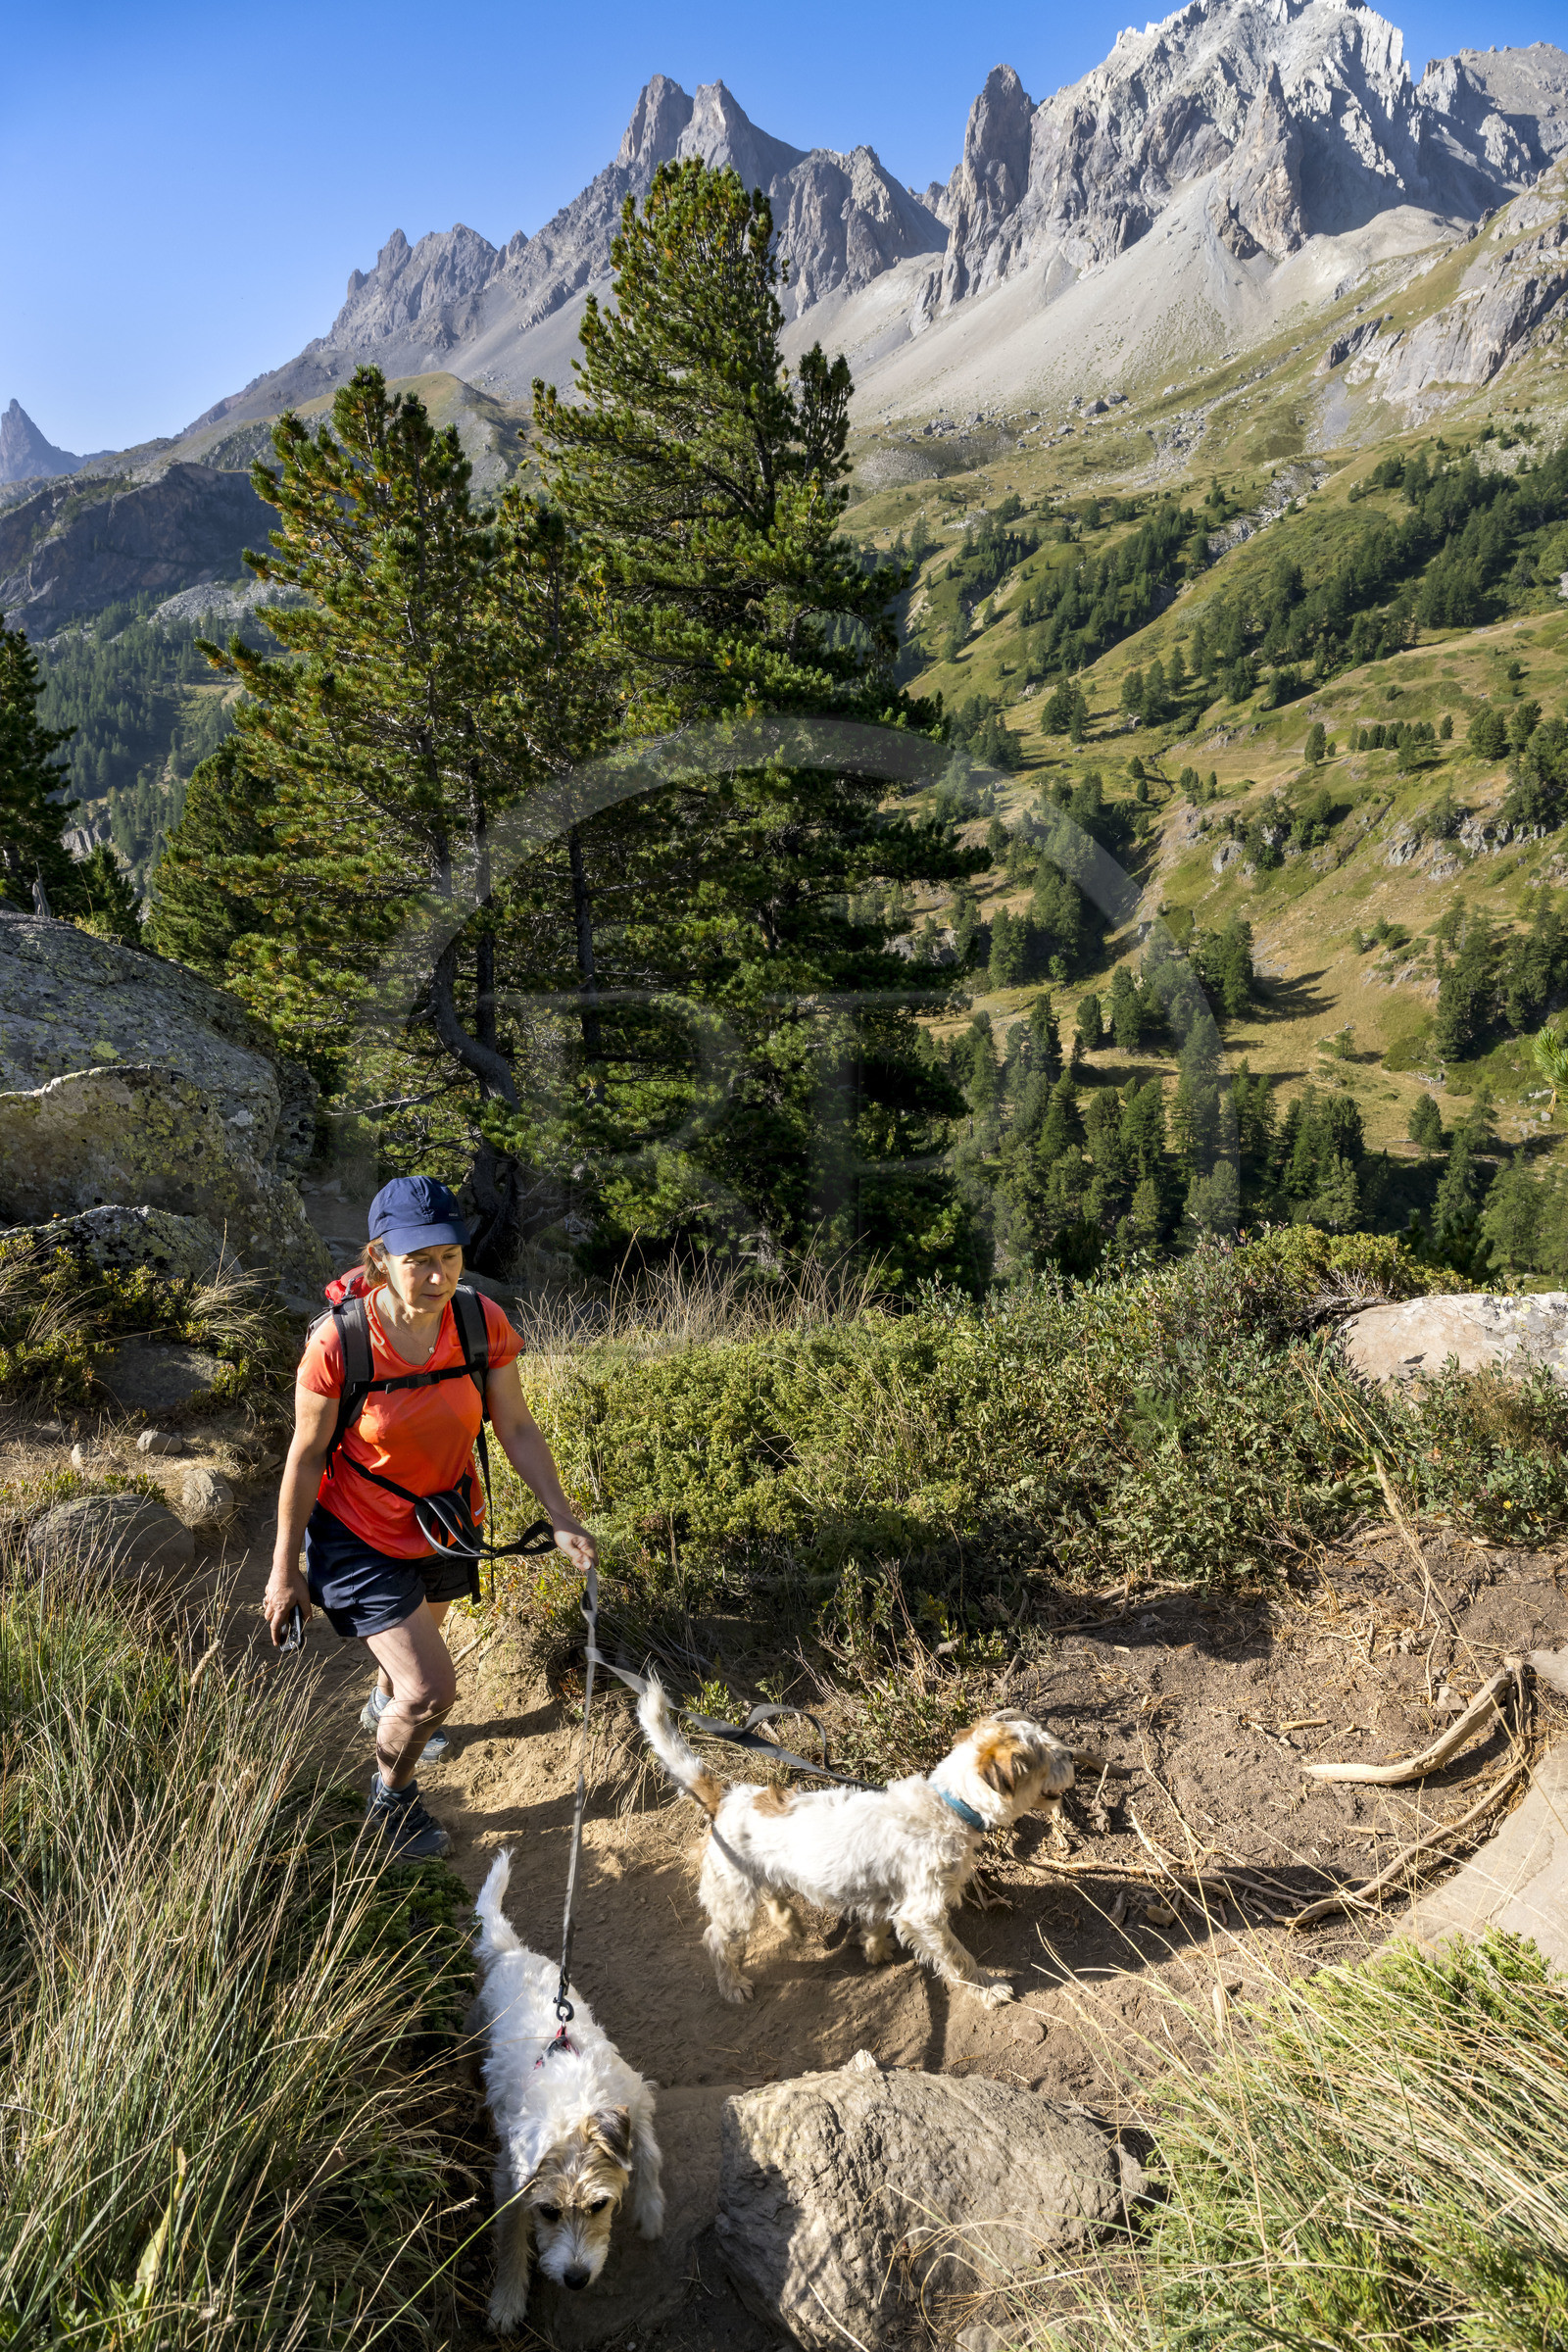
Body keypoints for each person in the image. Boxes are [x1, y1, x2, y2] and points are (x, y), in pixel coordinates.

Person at [263, 1175, 597, 1859]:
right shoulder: (339, 1344)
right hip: (357, 1535)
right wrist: (282, 1572)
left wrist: (560, 1515)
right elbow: (303, 1458)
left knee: (404, 1681)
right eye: (418, 1259)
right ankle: (390, 1801)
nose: (438, 1274)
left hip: (446, 1525)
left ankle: (382, 1706)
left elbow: (518, 1428)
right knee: (429, 1689)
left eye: (449, 1255)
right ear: (379, 1255)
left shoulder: (480, 1322)